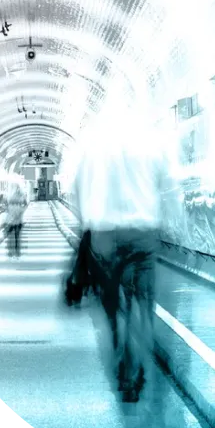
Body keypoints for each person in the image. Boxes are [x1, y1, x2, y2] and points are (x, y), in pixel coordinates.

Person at [72, 90, 183, 406]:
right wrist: (175, 223)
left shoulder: (93, 142)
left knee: (111, 302)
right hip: (142, 234)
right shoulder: (151, 139)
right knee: (143, 303)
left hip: (105, 235)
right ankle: (139, 365)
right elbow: (169, 183)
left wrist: (86, 222)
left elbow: (78, 185)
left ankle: (120, 353)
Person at [4, 182, 28, 257]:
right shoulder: (19, 195)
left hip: (13, 219)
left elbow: (6, 205)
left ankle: (12, 251)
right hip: (16, 218)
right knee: (16, 236)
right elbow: (25, 204)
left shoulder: (10, 195)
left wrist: (20, 210)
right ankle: (16, 251)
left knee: (12, 235)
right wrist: (21, 210)